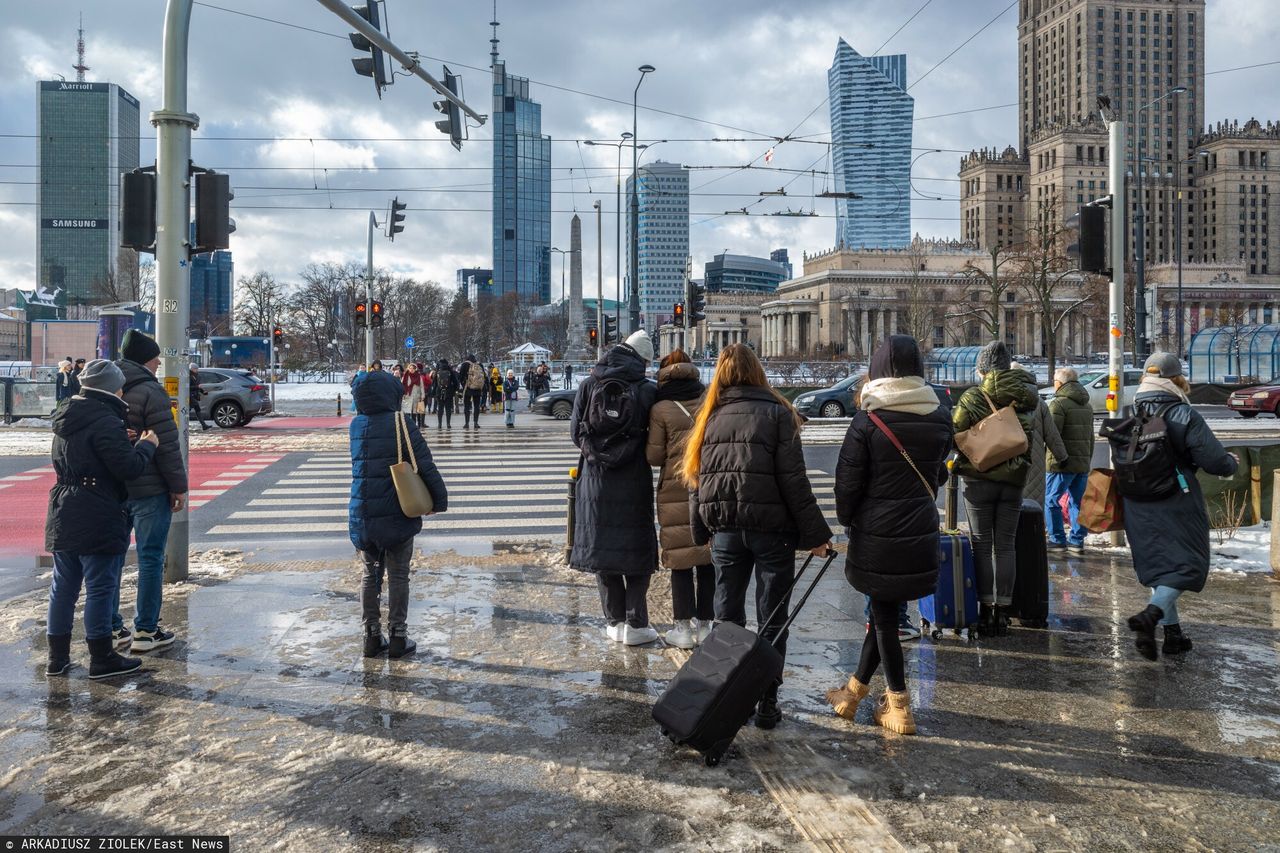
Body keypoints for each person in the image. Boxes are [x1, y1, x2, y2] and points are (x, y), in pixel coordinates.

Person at [683, 342, 832, 729]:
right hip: (772, 532)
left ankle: (727, 696)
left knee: (726, 618)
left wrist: (701, 529)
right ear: (758, 372)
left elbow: (696, 481)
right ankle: (767, 699)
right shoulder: (778, 413)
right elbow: (794, 481)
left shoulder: (710, 415)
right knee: (773, 618)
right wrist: (816, 535)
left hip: (726, 531)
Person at [826, 337, 953, 735]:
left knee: (884, 618)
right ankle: (852, 693)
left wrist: (848, 521)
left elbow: (846, 484)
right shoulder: (938, 415)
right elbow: (940, 475)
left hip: (878, 532)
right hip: (918, 527)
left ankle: (899, 705)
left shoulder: (868, 419)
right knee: (885, 611)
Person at [44, 359, 159, 679]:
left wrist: (122, 439)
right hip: (97, 509)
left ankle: (57, 658)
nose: (123, 390)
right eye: (120, 385)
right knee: (100, 587)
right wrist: (146, 446)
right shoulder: (106, 421)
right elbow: (129, 468)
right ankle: (101, 658)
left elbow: (84, 453)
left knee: (63, 587)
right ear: (110, 388)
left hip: (63, 508)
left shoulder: (69, 417)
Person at [1123, 353, 1238, 660]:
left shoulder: (1130, 412)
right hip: (1176, 498)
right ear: (1176, 380)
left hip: (1136, 501)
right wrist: (1230, 464)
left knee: (1159, 565)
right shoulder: (1184, 415)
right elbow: (1213, 460)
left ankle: (1173, 636)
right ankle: (1152, 615)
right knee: (1187, 563)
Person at [349, 370, 448, 658]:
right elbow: (424, 464)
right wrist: (438, 502)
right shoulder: (399, 422)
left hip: (363, 513)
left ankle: (370, 637)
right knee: (399, 575)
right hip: (396, 513)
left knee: (370, 575)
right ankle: (397, 637)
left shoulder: (356, 425)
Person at [569, 330, 660, 645]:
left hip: (595, 481)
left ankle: (614, 622)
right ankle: (636, 624)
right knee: (637, 551)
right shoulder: (648, 390)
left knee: (603, 549)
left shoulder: (589, 384)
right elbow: (655, 440)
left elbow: (575, 432)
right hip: (633, 479)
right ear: (641, 360)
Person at [951, 340, 1038, 636]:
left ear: (983, 369)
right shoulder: (1028, 394)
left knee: (981, 545)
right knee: (1006, 546)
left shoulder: (973, 396)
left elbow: (956, 433)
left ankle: (985, 609)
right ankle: (1003, 611)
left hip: (979, 479)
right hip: (1014, 481)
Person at [110, 330, 188, 652]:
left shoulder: (107, 388)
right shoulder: (150, 391)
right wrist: (178, 488)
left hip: (113, 488)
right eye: (155, 357)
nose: (158, 362)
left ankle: (113, 628)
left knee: (111, 559)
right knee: (151, 558)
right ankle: (146, 631)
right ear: (144, 359)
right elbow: (167, 445)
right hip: (149, 487)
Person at [645, 349, 714, 649]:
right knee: (708, 559)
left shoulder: (660, 408)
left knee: (680, 561)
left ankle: (683, 629)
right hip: (707, 485)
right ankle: (708, 625)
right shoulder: (709, 400)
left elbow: (653, 456)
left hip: (675, 488)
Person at [1045, 367, 1095, 553]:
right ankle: (1077, 540)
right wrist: (1086, 459)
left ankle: (1057, 539)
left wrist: (1057, 458)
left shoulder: (1058, 405)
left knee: (1051, 500)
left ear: (1060, 383)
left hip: (1061, 463)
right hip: (1081, 463)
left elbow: (1052, 435)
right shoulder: (1087, 405)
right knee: (1077, 502)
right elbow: (1090, 437)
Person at [1012, 362, 1067, 506]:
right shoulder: (1038, 402)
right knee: (1033, 504)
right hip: (1034, 461)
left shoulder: (999, 400)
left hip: (1006, 460)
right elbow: (1051, 434)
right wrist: (1062, 457)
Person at [461, 354, 487, 429]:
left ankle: (467, 423)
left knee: (467, 406)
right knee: (476, 406)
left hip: (467, 388)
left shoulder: (464, 364)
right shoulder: (479, 364)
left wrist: (463, 385)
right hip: (477, 389)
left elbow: (461, 376)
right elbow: (483, 376)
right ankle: (476, 423)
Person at [433, 359, 458, 430]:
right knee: (448, 409)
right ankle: (448, 424)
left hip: (439, 392)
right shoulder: (450, 371)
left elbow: (434, 383)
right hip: (449, 392)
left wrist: (434, 392)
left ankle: (439, 424)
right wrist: (454, 390)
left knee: (440, 408)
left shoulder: (437, 371)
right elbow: (455, 382)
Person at [402, 361, 426, 428]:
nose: (411, 369)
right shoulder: (405, 376)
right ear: (408, 369)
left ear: (415, 369)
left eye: (413, 368)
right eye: (410, 368)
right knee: (407, 412)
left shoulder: (418, 376)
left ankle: (414, 426)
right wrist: (402, 394)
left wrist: (423, 395)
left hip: (416, 396)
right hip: (407, 396)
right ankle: (408, 426)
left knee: (415, 412)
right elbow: (402, 385)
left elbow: (421, 386)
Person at [189, 364, 210, 430]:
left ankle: (204, 425)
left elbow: (197, 386)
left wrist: (203, 391)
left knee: (194, 409)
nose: (197, 370)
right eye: (196, 369)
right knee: (192, 409)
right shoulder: (188, 375)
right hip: (190, 396)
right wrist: (197, 387)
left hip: (194, 395)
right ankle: (204, 425)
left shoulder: (197, 375)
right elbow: (187, 387)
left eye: (197, 369)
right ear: (192, 369)